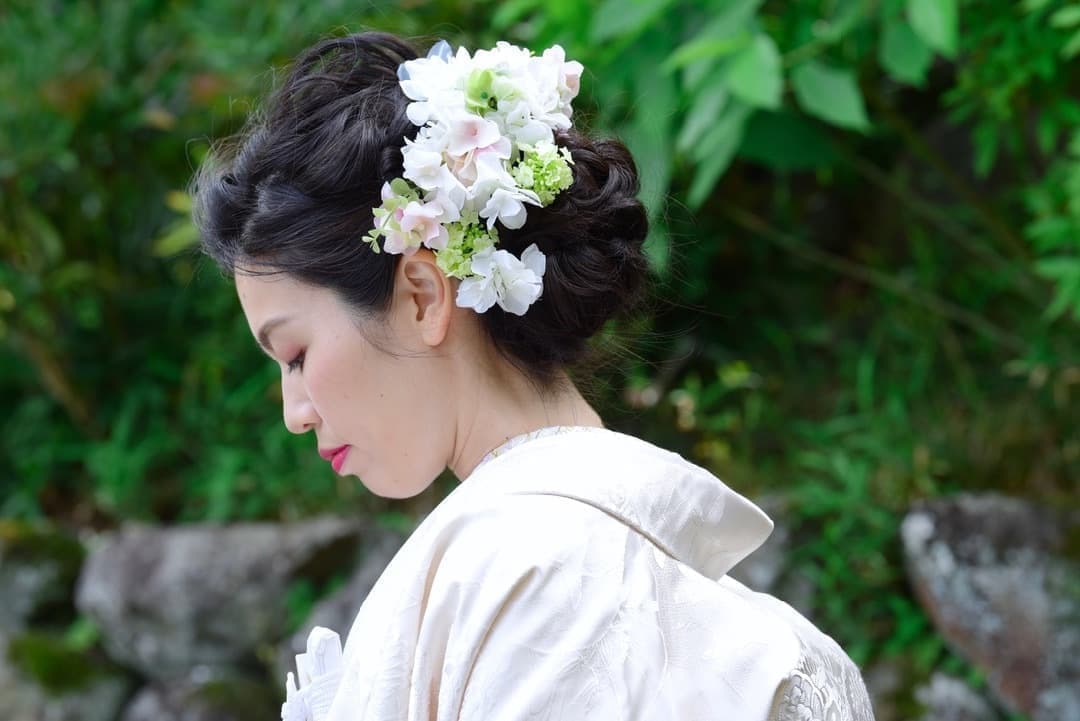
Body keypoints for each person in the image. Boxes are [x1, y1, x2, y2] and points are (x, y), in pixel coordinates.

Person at [192, 30, 875, 721]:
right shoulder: (781, 635)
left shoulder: (515, 567)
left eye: (297, 354)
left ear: (424, 296)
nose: (296, 411)